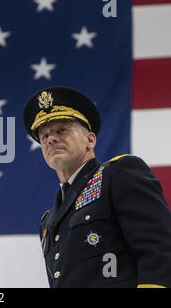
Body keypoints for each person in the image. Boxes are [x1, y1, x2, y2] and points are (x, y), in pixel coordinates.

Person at [23, 86, 171, 288]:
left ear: (90, 140)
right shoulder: (48, 221)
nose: (51, 139)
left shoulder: (118, 174)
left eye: (62, 130)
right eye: (44, 136)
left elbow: (160, 250)